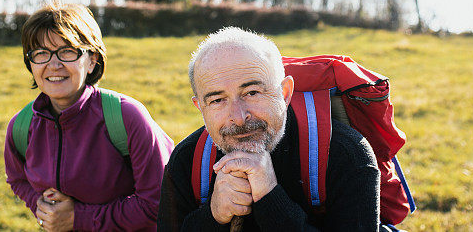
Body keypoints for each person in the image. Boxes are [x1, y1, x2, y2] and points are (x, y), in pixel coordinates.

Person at [157, 27, 381, 231]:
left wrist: (271, 198)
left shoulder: (346, 154)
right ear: (201, 107)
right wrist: (212, 216)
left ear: (284, 93)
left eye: (252, 92)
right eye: (217, 100)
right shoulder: (188, 160)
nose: (239, 117)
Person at [4, 1, 174, 232]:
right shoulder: (21, 127)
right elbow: (17, 179)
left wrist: (77, 218)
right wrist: (43, 208)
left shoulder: (127, 117)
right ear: (30, 63)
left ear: (92, 59)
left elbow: (158, 203)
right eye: (41, 53)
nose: (54, 65)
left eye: (67, 51)